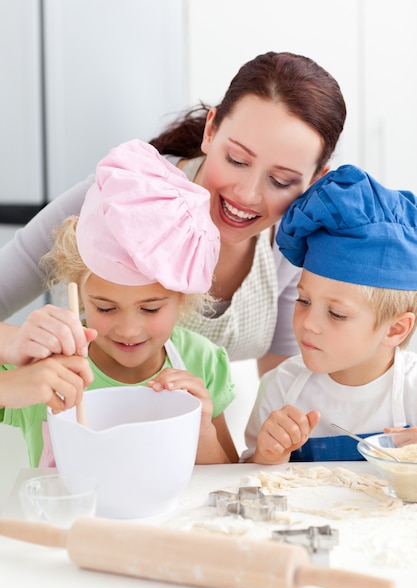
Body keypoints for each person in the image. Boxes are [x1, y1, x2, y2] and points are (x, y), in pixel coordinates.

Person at [0, 51, 347, 375]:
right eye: (237, 160)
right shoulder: (123, 198)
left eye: (281, 180)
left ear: (316, 181)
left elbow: (283, 380)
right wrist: (13, 342)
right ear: (211, 131)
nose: (247, 194)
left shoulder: (289, 243)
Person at [1, 139, 237, 468]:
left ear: (182, 297)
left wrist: (201, 431)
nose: (128, 329)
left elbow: (229, 481)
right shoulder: (44, 362)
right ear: (78, 291)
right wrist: (8, 385)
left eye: (151, 308)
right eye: (105, 307)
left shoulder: (203, 363)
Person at [240, 164, 417, 464]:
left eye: (336, 314)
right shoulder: (280, 387)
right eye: (304, 300)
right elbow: (251, 481)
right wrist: (268, 455)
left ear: (395, 330)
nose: (308, 323)